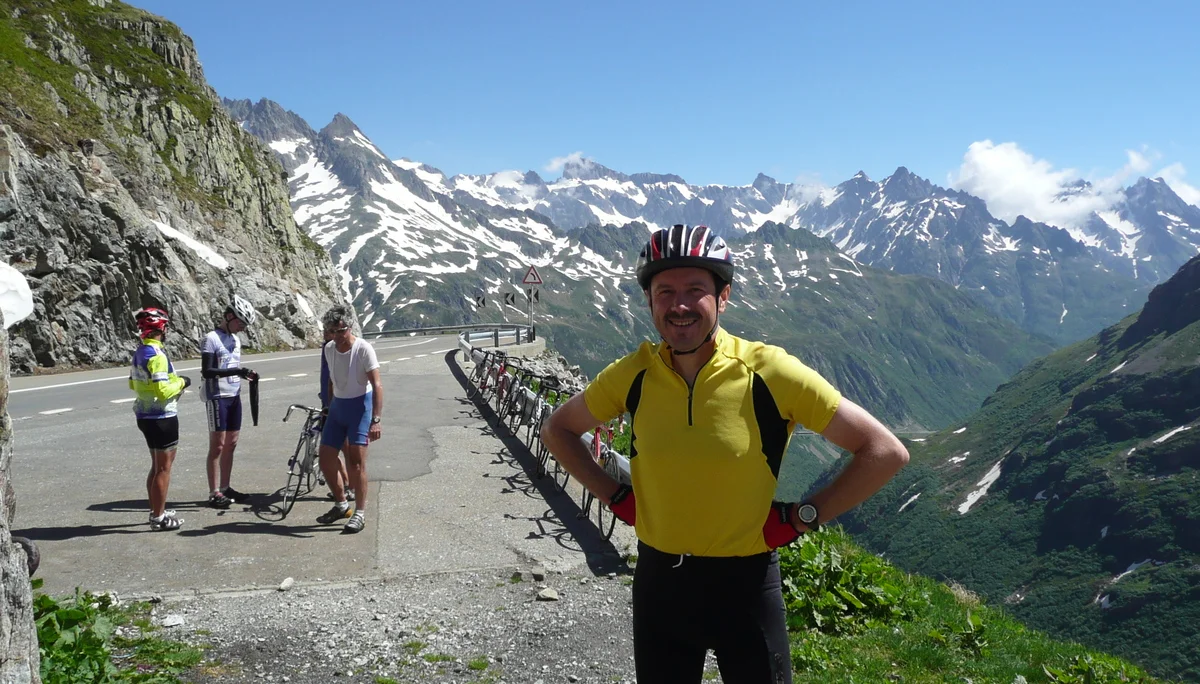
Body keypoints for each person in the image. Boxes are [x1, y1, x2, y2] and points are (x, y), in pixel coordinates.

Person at [542, 224, 910, 683]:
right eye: (664, 291)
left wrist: (805, 516)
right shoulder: (633, 374)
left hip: (748, 586)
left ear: (724, 296)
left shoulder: (769, 371)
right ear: (650, 301)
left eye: (695, 289)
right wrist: (614, 496)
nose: (678, 305)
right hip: (661, 584)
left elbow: (884, 451)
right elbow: (557, 429)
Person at [315, 306, 383, 533]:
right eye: (332, 331)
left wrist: (376, 419)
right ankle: (341, 504)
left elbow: (377, 385)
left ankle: (360, 513)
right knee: (326, 458)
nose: (336, 336)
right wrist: (329, 406)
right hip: (338, 408)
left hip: (360, 408)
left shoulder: (363, 349)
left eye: (340, 330)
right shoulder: (329, 349)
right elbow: (332, 381)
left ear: (349, 327)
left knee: (356, 462)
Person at [128, 307, 191, 531]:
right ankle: (159, 517)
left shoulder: (139, 353)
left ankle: (157, 509)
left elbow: (132, 384)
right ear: (161, 328)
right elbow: (163, 390)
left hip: (144, 414)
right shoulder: (157, 356)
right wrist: (182, 382)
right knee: (164, 468)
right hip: (162, 416)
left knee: (156, 467)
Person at [200, 295, 259, 509]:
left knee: (231, 444)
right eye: (240, 323)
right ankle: (213, 492)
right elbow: (207, 371)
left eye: (245, 325)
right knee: (217, 446)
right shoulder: (211, 339)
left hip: (234, 396)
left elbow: (233, 367)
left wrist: (247, 375)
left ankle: (225, 487)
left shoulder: (236, 340)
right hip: (217, 397)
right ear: (228, 316)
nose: (242, 328)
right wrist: (237, 371)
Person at [318, 326, 353, 502]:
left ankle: (350, 487)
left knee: (343, 446)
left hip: (338, 404)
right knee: (331, 447)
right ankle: (346, 483)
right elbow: (326, 378)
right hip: (328, 403)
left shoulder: (338, 349)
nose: (326, 333)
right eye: (325, 329)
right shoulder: (327, 347)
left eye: (330, 330)